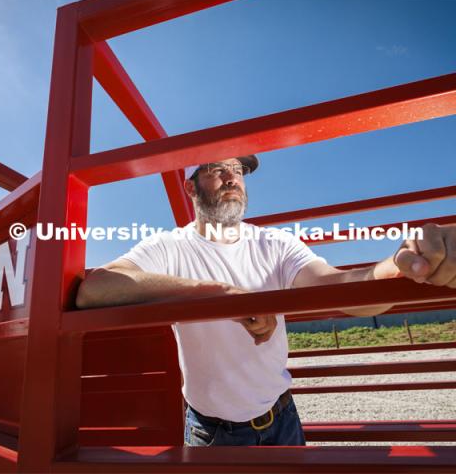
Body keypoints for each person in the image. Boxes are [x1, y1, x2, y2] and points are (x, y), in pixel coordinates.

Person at [76, 155, 456, 447]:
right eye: (216, 170)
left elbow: (342, 288)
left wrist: (402, 266)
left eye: (238, 170)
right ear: (190, 189)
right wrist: (222, 295)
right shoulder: (168, 247)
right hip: (212, 433)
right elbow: (95, 290)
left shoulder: (275, 244)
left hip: (282, 418)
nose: (231, 178)